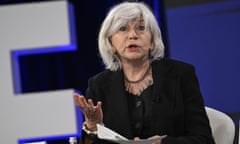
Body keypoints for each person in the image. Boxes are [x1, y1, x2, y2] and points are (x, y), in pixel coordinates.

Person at [73, 1, 215, 144]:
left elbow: (204, 140)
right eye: (123, 29)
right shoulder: (99, 85)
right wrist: (92, 127)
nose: (133, 35)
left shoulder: (181, 75)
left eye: (141, 28)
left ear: (152, 41)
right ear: (110, 43)